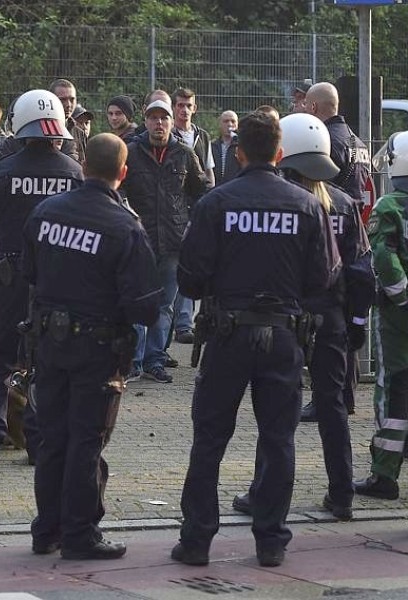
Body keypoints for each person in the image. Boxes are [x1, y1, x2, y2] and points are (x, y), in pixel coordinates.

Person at [171, 111, 338, 568]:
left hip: (227, 335)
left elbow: (188, 279)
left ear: (239, 152)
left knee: (209, 439)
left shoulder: (215, 203)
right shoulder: (307, 205)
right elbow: (322, 279)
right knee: (279, 439)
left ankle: (197, 541)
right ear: (280, 154)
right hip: (283, 337)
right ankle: (270, 542)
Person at [231, 113, 375, 522]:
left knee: (277, 412)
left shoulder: (280, 204)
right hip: (332, 321)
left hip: (286, 321)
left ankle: (264, 494)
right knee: (332, 408)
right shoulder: (344, 205)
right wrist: (358, 323)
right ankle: (342, 494)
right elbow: (361, 272)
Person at [24, 133, 161, 560]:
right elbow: (144, 308)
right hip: (97, 350)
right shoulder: (124, 226)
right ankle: (80, 534)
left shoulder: (45, 211)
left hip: (49, 341)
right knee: (86, 441)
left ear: (83, 166)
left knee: (53, 438)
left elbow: (29, 271)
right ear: (123, 172)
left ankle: (47, 529)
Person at [0, 89, 84, 465]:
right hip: (59, 279)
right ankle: (39, 444)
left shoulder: (2, 171)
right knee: (46, 362)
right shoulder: (73, 171)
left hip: (10, 275)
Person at [121, 99, 206, 383]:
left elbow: (203, 191)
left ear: (171, 122)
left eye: (164, 118)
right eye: (153, 118)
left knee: (165, 304)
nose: (159, 124)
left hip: (172, 242)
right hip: (138, 241)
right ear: (145, 122)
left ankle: (154, 360)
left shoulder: (184, 154)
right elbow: (116, 190)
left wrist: (194, 224)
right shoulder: (131, 153)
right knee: (136, 301)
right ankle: (133, 360)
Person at [304, 81, 373, 417]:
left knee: (329, 328)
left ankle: (328, 397)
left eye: (305, 106)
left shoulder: (327, 141)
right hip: (355, 232)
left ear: (315, 108)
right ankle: (346, 394)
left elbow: (322, 189)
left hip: (332, 234)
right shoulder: (358, 141)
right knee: (347, 323)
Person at [352, 131, 408, 500]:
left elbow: (384, 259)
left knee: (393, 393)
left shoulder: (390, 206)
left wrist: (402, 297)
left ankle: (385, 475)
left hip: (396, 320)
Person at [170, 88, 215, 345]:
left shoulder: (202, 136)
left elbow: (209, 173)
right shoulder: (168, 136)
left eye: (188, 105)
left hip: (196, 206)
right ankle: (179, 322)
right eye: (180, 105)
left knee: (189, 261)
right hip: (174, 206)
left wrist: (209, 200)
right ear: (174, 108)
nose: (184, 110)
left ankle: (185, 323)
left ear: (194, 108)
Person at [50, 78, 88, 163]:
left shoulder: (79, 133)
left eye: (72, 99)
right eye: (62, 100)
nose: (68, 105)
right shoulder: (41, 131)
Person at [210, 110, 240, 186]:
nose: (229, 124)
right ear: (220, 124)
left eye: (233, 121)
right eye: (226, 121)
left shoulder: (241, 147)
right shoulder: (212, 146)